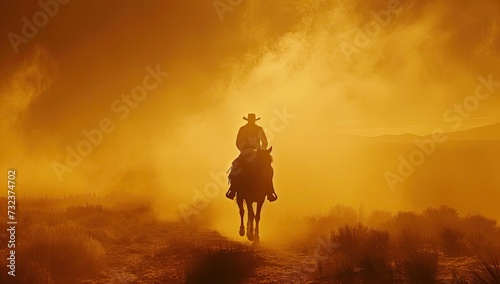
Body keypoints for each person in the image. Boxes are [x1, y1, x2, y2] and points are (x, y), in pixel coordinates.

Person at [226, 113, 277, 202]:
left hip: (258, 153)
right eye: (251, 121)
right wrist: (244, 149)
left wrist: (261, 150)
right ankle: (233, 189)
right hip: (245, 153)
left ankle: (269, 190)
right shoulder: (243, 129)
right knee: (235, 166)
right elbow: (238, 142)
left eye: (252, 121)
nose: (252, 122)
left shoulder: (258, 129)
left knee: (268, 169)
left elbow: (264, 142)